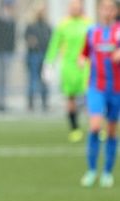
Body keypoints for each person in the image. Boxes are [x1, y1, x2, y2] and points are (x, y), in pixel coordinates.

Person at [79, 0, 119, 188]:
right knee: (95, 126)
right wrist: (81, 60)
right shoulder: (91, 32)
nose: (107, 12)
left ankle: (107, 172)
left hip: (116, 88)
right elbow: (84, 53)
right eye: (104, 8)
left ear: (116, 11)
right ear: (99, 10)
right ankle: (91, 170)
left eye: (111, 8)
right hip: (96, 86)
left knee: (111, 130)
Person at [44, 0, 90, 142]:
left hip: (85, 65)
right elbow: (54, 45)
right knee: (70, 97)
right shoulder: (63, 25)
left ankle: (95, 127)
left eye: (77, 7)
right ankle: (74, 128)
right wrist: (49, 63)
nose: (75, 9)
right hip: (69, 66)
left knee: (90, 96)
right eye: (73, 7)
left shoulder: (88, 24)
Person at [24, 3, 52, 112]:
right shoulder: (31, 26)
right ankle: (31, 103)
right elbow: (27, 39)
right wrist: (32, 43)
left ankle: (44, 102)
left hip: (45, 55)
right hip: (34, 55)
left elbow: (51, 39)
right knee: (33, 80)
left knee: (44, 80)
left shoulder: (47, 26)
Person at [0, 0, 16, 112]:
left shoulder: (12, 21)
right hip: (0, 53)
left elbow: (13, 37)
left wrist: (11, 49)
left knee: (5, 79)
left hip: (8, 53)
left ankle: (3, 102)